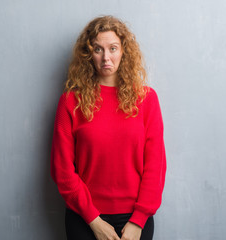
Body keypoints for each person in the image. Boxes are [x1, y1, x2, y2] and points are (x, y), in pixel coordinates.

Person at [50, 16, 166, 240]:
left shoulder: (147, 100)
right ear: (88, 55)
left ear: (124, 51)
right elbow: (62, 170)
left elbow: (155, 166)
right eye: (98, 49)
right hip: (84, 219)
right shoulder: (70, 102)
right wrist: (93, 220)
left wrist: (139, 219)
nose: (106, 57)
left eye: (113, 48)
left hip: (134, 221)